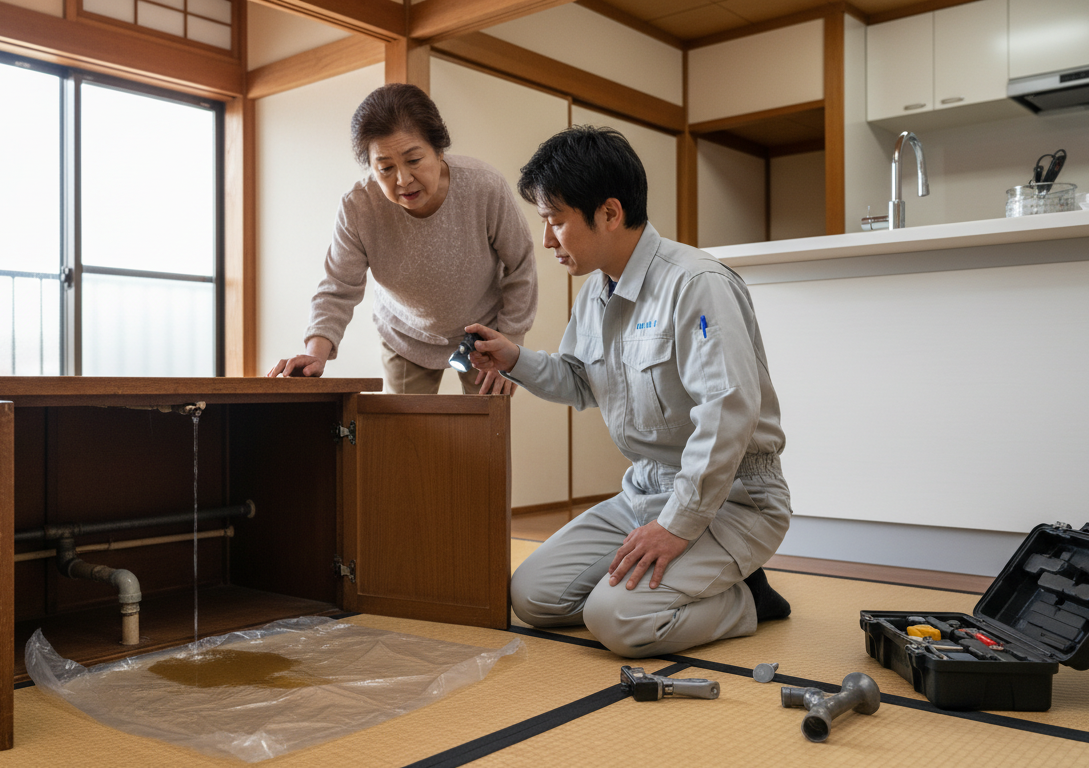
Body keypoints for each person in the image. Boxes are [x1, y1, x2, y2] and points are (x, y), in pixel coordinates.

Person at [465, 126, 792, 658]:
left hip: (734, 499)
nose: (547, 240)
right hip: (645, 489)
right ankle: (683, 584)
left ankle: (747, 600)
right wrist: (515, 358)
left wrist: (678, 526)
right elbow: (578, 380)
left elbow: (727, 414)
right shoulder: (597, 290)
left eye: (555, 221)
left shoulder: (696, 284)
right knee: (533, 596)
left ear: (610, 213)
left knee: (615, 619)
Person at [267, 84, 537, 395]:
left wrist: (512, 344)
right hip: (405, 335)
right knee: (405, 437)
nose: (403, 180)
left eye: (413, 160)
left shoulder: (484, 187)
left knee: (485, 433)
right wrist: (315, 354)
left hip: (482, 331)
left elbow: (520, 264)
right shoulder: (359, 206)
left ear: (439, 149)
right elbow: (339, 287)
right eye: (385, 168)